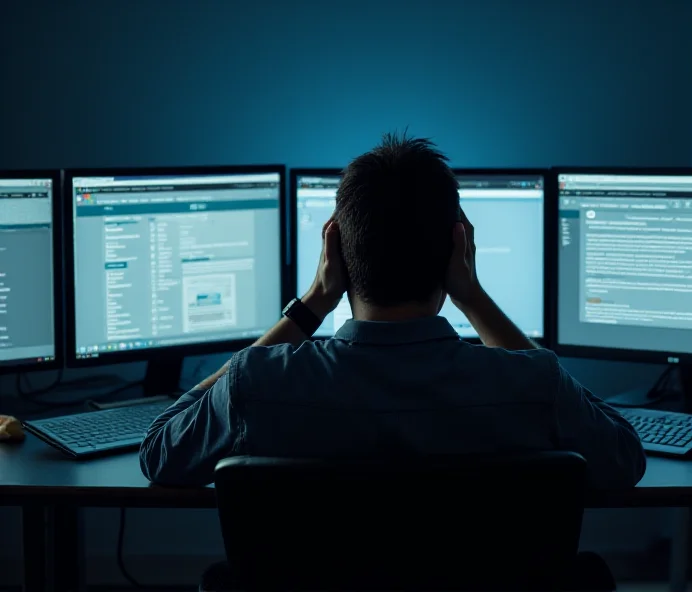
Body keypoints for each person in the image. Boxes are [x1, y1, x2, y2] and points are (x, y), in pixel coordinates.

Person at [139, 133, 646, 490]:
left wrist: (313, 301)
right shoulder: (532, 383)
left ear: (336, 253)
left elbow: (159, 448)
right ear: (458, 249)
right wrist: (473, 296)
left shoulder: (258, 382)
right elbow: (624, 457)